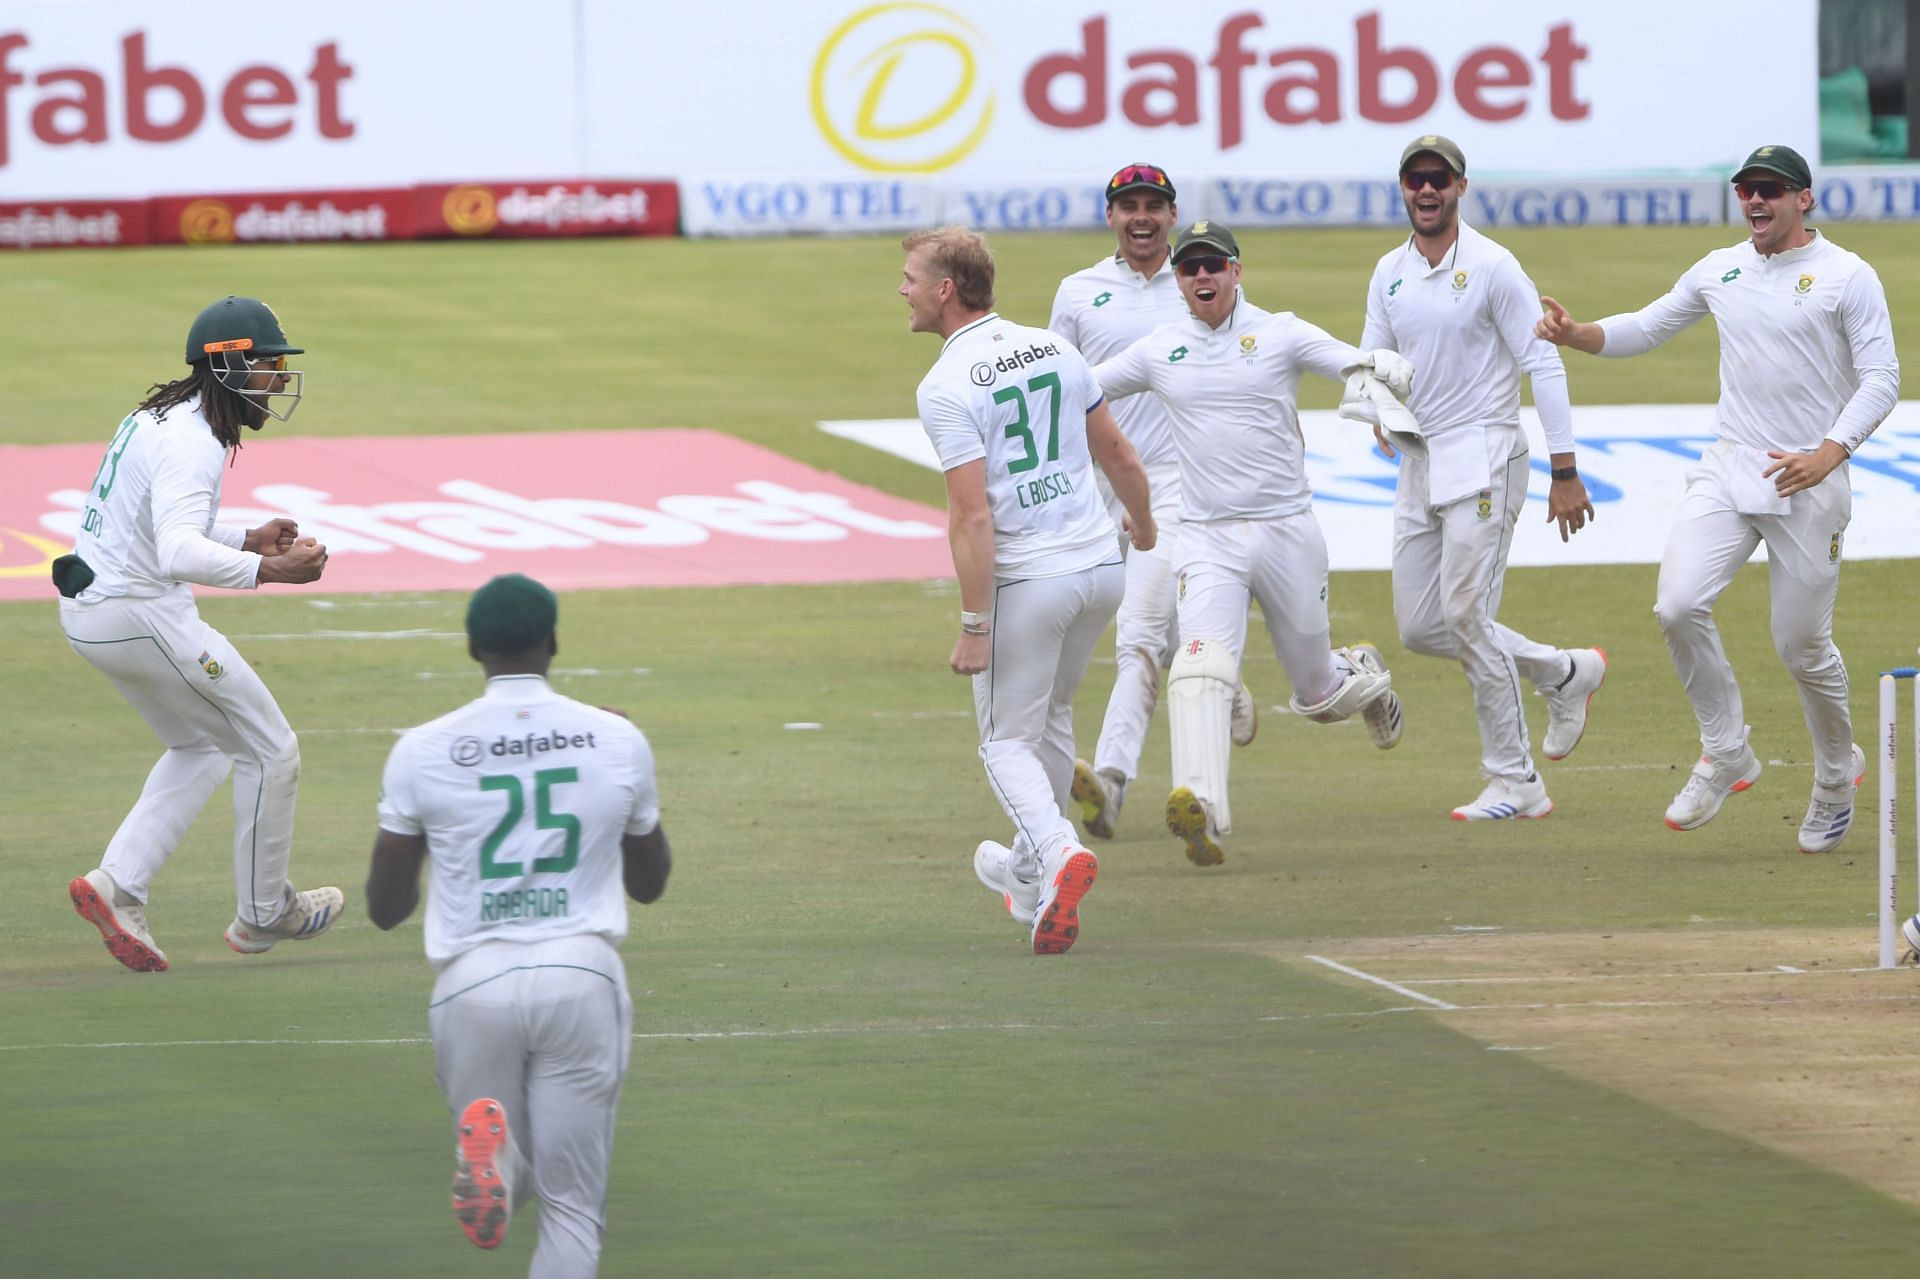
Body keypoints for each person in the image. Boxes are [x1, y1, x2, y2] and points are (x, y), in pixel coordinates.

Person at [1536, 143, 1898, 851]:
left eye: (1771, 190)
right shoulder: (1721, 267)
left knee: (1801, 646)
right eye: (1747, 191)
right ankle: (1727, 748)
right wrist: (1577, 335)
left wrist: (1830, 451)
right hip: (1730, 469)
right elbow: (1649, 325)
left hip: (1809, 481)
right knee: (1676, 603)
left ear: (1805, 199)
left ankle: (1833, 775)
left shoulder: (1847, 276)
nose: (1756, 202)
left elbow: (1881, 377)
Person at [365, 573, 672, 1272]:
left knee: (517, 1168)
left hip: (471, 980)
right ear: (554, 641)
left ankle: (495, 1158)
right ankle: (502, 1164)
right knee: (572, 1204)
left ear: (474, 648)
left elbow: (386, 908)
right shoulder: (615, 737)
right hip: (580, 971)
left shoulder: (421, 747)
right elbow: (650, 883)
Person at [1092, 221, 1408, 867]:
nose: (1202, 277)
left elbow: (1356, 364)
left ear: (1237, 272)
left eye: (1214, 265)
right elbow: (1083, 390)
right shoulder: (1160, 348)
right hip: (1207, 537)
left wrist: (1383, 398)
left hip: (1288, 530)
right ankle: (1201, 808)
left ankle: (1363, 676)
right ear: (1178, 281)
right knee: (1199, 664)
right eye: (1190, 268)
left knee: (1318, 695)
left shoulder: (1281, 331)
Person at [60, 294, 341, 973]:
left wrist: (243, 535)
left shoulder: (162, 415)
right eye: (269, 364)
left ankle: (117, 884)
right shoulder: (194, 440)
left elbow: (158, 526)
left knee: (203, 745)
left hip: (94, 612)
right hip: (138, 613)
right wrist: (268, 566)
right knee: (271, 749)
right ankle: (264, 913)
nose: (278, 378)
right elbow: (177, 553)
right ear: (228, 364)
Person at [901, 225, 1157, 955]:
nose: (903, 290)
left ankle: (1058, 850)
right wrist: (1142, 524)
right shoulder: (1053, 345)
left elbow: (971, 514)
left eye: (913, 278)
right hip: (1100, 570)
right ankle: (1025, 874)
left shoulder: (944, 386)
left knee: (1004, 742)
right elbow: (1119, 453)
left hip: (1032, 581)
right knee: (1050, 718)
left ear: (946, 290)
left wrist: (975, 623)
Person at [1360, 135, 1608, 822]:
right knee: (1420, 626)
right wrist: (1380, 404)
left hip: (1486, 454)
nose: (1427, 190)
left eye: (1439, 178)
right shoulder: (1389, 270)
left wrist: (1566, 469)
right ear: (1403, 187)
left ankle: (1515, 780)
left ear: (1461, 187)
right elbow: (1375, 355)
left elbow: (1546, 364)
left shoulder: (1495, 266)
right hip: (1421, 463)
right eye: (1415, 179)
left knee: (1466, 615)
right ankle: (1563, 671)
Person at [1047, 162, 1257, 842]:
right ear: (1110, 216)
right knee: (1135, 633)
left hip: (1176, 486)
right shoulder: (1078, 293)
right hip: (1096, 490)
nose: (1141, 216)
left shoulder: (1199, 281)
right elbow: (1059, 392)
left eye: (1153, 205)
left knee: (1138, 637)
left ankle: (1110, 780)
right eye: (1128, 205)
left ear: (1171, 215)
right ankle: (1224, 672)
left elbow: (1245, 369)